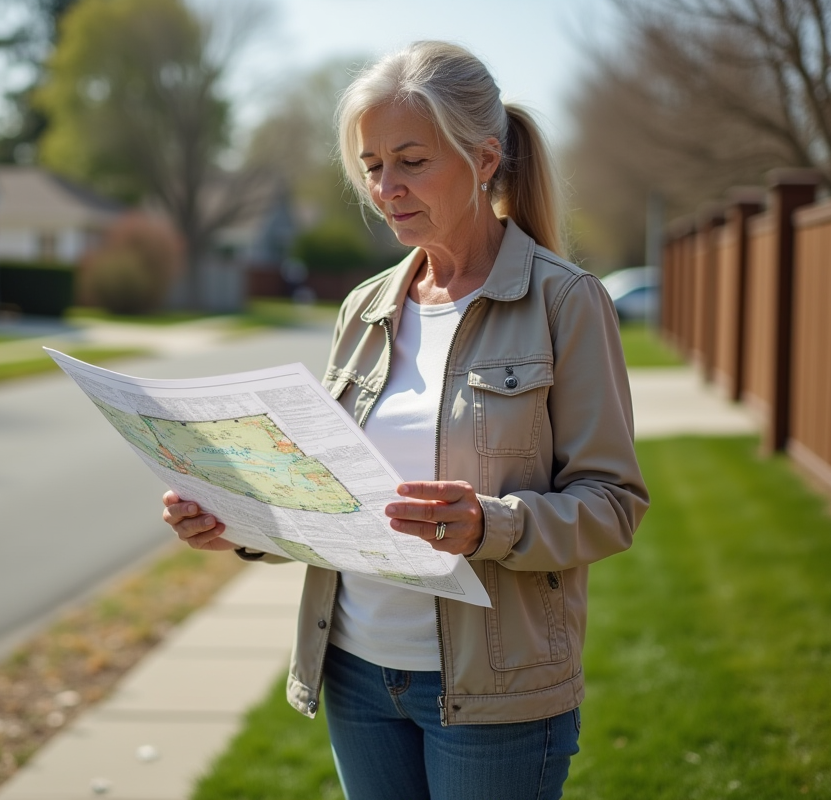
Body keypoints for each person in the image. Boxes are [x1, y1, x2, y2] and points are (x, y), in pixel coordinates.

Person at [162, 41, 648, 800]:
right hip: (356, 673)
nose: (386, 187)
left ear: (485, 158)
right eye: (372, 165)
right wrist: (240, 519)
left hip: (495, 695)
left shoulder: (564, 302)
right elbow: (328, 493)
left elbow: (614, 505)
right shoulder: (364, 308)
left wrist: (492, 525)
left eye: (412, 161)